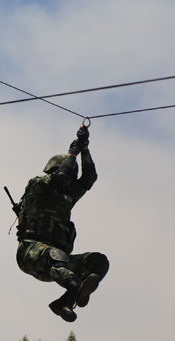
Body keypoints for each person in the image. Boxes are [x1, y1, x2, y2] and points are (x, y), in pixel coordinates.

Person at [14, 125, 109, 322]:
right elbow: (59, 179)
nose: (70, 184)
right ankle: (77, 288)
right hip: (31, 253)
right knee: (57, 256)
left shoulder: (68, 195)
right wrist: (72, 154)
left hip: (58, 265)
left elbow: (89, 178)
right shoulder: (38, 185)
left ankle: (63, 302)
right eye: (69, 179)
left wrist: (85, 150)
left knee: (99, 261)